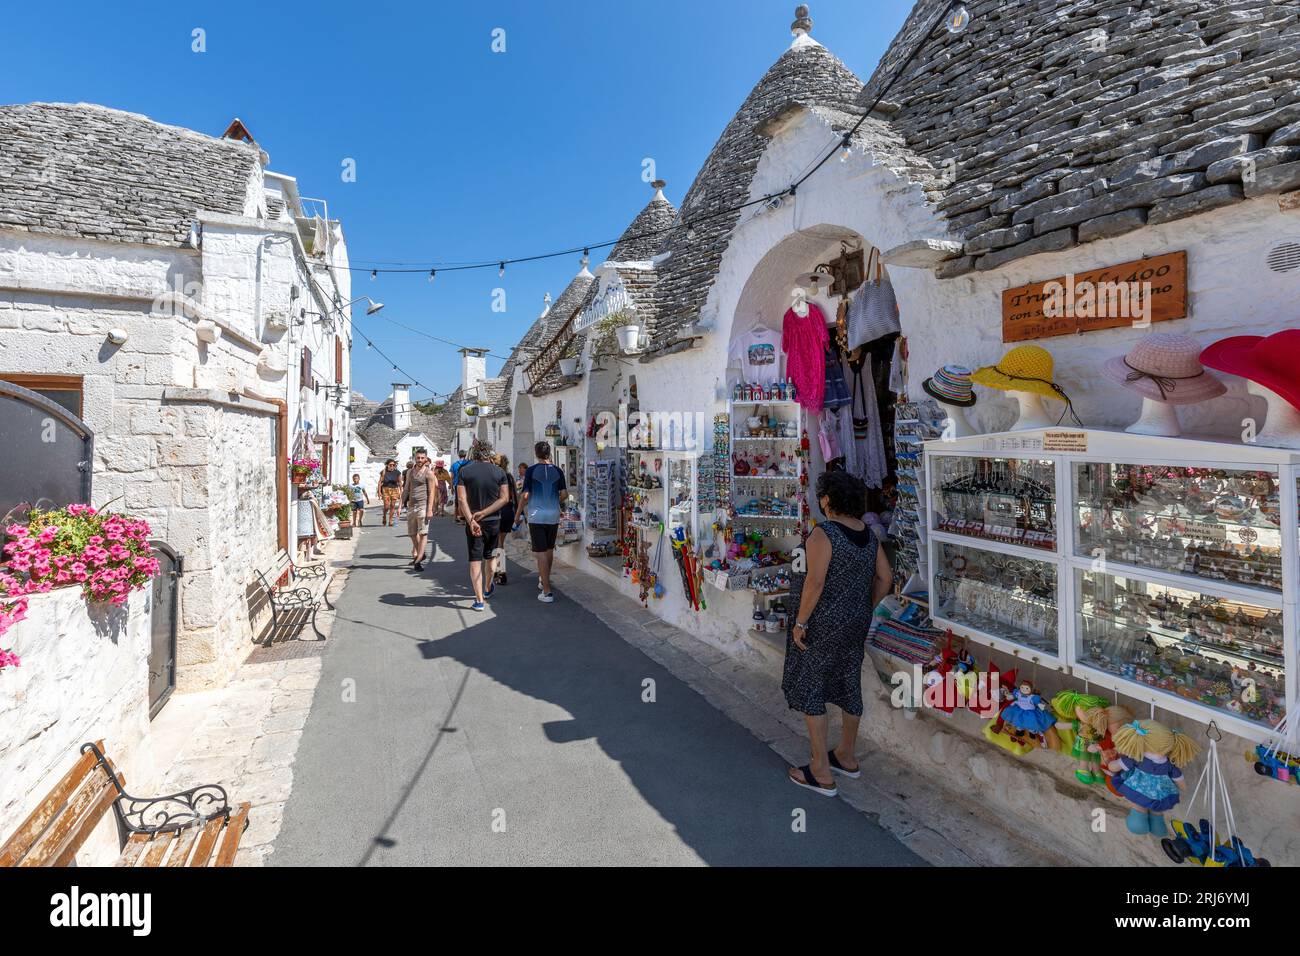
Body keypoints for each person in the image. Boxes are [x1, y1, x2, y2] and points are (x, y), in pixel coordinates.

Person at [781, 470, 892, 798]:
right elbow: (885, 578)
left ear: (828, 499)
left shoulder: (824, 533)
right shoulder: (869, 535)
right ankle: (845, 755)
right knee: (847, 682)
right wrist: (865, 606)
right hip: (856, 622)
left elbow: (814, 583)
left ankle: (820, 770)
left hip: (822, 623)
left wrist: (800, 623)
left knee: (812, 687)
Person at [456, 439, 509, 611]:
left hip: (473, 522)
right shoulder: (499, 472)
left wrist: (471, 519)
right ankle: (487, 588)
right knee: (491, 556)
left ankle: (479, 600)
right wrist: (486, 513)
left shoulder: (464, 471)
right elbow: (504, 498)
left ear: (475, 453)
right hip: (493, 521)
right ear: (489, 453)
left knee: (475, 559)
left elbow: (461, 499)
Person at [518, 440, 567, 604]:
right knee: (548, 549)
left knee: (540, 552)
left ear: (536, 453)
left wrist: (518, 513)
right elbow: (565, 494)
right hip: (553, 515)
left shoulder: (531, 471)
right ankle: (543, 580)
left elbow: (525, 496)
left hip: (536, 515)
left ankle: (547, 591)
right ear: (549, 453)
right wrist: (555, 501)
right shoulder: (558, 471)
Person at [402, 451, 435, 571]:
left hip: (423, 505)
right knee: (412, 533)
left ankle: (418, 560)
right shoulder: (410, 472)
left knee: (423, 533)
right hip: (411, 505)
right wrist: (401, 504)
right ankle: (422, 553)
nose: (420, 460)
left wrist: (430, 509)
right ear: (414, 458)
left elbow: (432, 492)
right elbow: (406, 488)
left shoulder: (429, 473)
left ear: (425, 459)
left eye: (422, 458)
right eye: (418, 458)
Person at [491, 454, 518, 585]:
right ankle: (499, 570)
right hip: (508, 512)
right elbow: (515, 496)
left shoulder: (494, 477)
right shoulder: (509, 477)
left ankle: (500, 571)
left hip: (497, 512)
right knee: (500, 542)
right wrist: (519, 514)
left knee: (497, 543)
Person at [377, 459, 403, 527]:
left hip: (394, 489)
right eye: (390, 465)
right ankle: (384, 515)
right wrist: (379, 491)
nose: (392, 466)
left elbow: (400, 482)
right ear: (387, 465)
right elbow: (380, 482)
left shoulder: (397, 472)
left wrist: (401, 492)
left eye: (393, 465)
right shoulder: (384, 472)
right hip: (385, 489)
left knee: (392, 505)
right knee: (386, 506)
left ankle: (390, 520)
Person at [449, 450, 469, 523]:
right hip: (467, 484)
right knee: (466, 500)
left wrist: (451, 487)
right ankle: (465, 518)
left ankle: (456, 518)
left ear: (458, 455)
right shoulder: (469, 463)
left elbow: (452, 477)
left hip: (458, 484)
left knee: (458, 501)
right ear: (465, 455)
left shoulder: (454, 465)